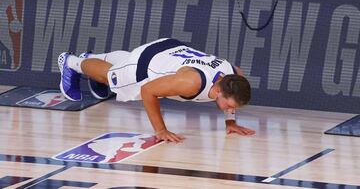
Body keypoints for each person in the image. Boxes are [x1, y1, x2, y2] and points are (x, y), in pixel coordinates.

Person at [58, 38, 255, 143]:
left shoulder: (234, 73)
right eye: (229, 106)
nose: (228, 109)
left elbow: (231, 96)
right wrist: (160, 130)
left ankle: (95, 56)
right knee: (112, 77)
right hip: (147, 65)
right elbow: (148, 91)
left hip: (171, 49)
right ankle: (71, 62)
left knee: (126, 61)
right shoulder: (191, 83)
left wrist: (230, 122)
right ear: (219, 91)